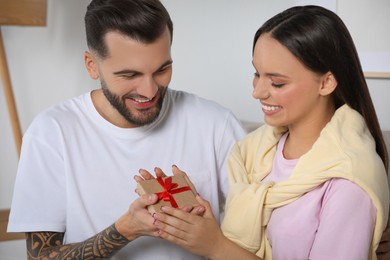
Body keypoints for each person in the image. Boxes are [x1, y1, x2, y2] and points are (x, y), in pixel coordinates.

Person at [6, 0, 246, 259]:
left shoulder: (215, 124)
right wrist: (125, 230)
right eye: (129, 75)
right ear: (91, 65)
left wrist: (211, 238)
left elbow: (264, 237)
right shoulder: (51, 133)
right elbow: (39, 257)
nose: (149, 91)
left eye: (162, 69)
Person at [149, 5, 390, 260]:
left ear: (326, 82)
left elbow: (224, 247)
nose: (258, 92)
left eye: (277, 83)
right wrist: (199, 223)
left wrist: (216, 246)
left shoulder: (348, 182)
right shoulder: (254, 150)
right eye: (257, 74)